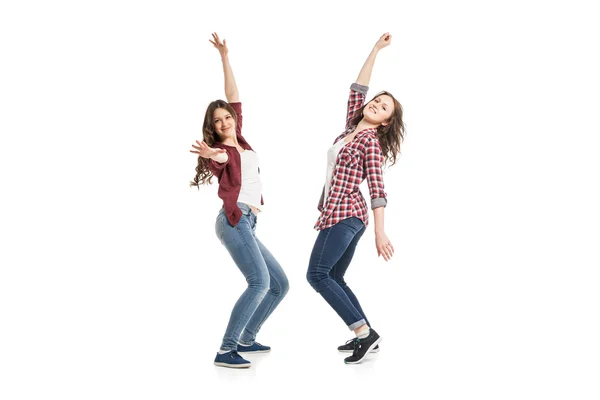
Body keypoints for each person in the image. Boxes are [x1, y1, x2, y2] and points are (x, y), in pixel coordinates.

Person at [190, 33, 289, 369]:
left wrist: (224, 57)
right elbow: (218, 158)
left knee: (279, 284)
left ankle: (247, 338)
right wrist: (211, 153)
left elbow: (233, 96)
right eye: (217, 122)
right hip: (234, 219)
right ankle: (226, 348)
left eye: (226, 117)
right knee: (259, 282)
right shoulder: (224, 151)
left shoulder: (242, 140)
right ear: (214, 130)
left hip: (249, 221)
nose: (224, 121)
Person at [306, 33, 405, 365]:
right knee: (334, 277)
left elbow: (378, 190)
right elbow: (357, 89)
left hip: (347, 216)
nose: (376, 104)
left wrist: (380, 232)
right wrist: (376, 49)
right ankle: (367, 335)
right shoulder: (352, 126)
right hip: (344, 215)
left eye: (383, 107)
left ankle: (364, 333)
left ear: (386, 122)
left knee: (317, 275)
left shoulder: (369, 143)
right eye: (377, 100)